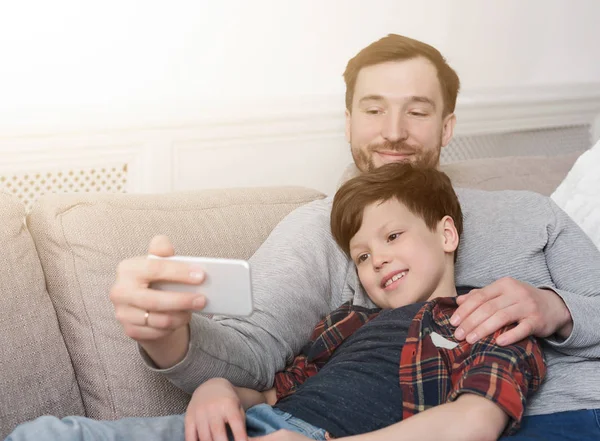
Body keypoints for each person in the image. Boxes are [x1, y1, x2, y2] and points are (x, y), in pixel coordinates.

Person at [5, 34, 600, 440]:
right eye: (373, 110)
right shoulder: (323, 235)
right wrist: (175, 338)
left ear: (447, 126)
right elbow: (259, 355)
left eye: (417, 111)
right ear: (348, 122)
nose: (393, 132)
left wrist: (555, 309)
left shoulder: (533, 213)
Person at [182, 163, 545, 441]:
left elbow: (475, 421)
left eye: (393, 236)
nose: (379, 259)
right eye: (363, 257)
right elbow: (270, 395)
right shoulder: (349, 322)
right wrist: (217, 389)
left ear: (446, 234)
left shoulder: (485, 316)